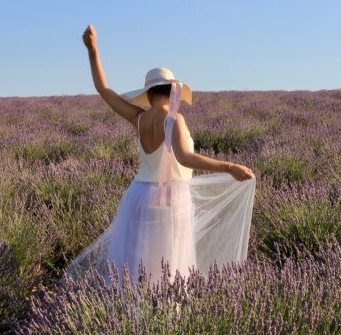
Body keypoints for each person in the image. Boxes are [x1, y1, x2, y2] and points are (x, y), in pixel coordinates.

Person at [64, 24, 256, 290]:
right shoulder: (174, 119)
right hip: (170, 200)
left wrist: (92, 50)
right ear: (173, 90)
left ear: (149, 93)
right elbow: (185, 158)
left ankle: (130, 315)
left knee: (134, 263)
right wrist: (230, 166)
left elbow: (105, 91)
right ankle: (164, 317)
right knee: (168, 262)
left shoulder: (139, 118)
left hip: (138, 196)